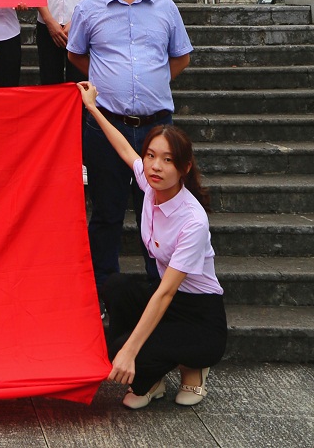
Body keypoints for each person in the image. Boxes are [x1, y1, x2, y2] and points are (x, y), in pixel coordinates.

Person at [79, 84, 227, 409]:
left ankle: (193, 367)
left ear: (184, 168)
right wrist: (92, 108)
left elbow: (166, 293)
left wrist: (129, 351)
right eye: (151, 156)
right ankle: (151, 379)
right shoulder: (149, 184)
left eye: (167, 160)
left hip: (199, 316)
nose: (155, 166)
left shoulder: (193, 221)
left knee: (124, 351)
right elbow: (123, 148)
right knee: (115, 286)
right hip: (168, 302)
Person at [66, 0, 193, 292]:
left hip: (157, 129)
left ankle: (160, 289)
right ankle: (103, 289)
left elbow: (180, 57)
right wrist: (110, 82)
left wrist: (153, 82)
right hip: (107, 125)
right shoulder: (89, 8)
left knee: (157, 209)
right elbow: (76, 54)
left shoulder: (165, 8)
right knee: (107, 211)